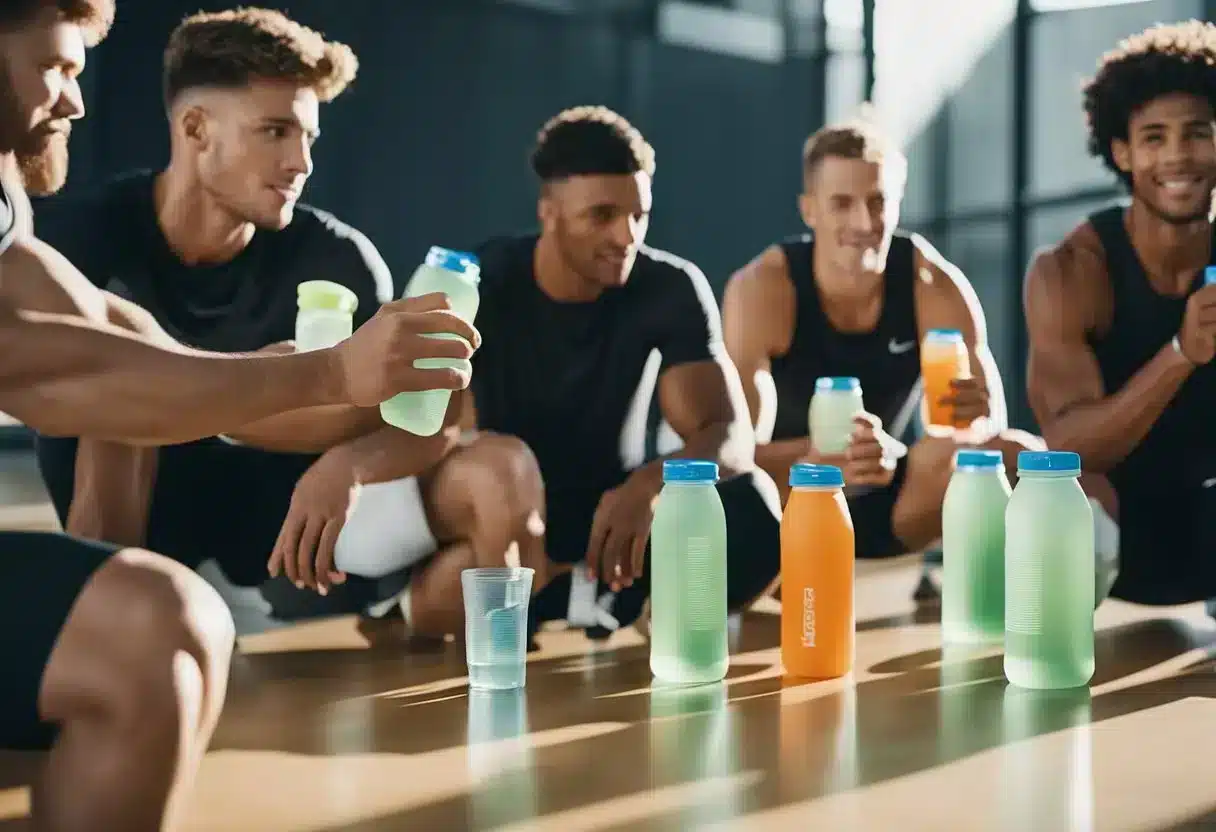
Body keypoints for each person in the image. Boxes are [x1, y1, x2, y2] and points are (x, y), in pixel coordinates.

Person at [0, 1, 478, 828]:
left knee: (166, 625)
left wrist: (331, 436)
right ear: (195, 127)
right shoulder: (86, 222)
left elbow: (112, 331)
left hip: (282, 519)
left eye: (309, 138)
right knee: (135, 500)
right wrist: (325, 370)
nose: (75, 100)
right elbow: (48, 367)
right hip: (144, 492)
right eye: (58, 69)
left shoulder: (9, 212)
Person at [32, 7, 546, 632]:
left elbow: (424, 422)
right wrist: (239, 395)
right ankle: (99, 633)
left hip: (294, 562)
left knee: (495, 466)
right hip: (141, 550)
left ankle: (422, 624)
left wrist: (349, 464)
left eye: (309, 137)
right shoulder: (73, 237)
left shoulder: (338, 256)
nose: (301, 161)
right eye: (275, 132)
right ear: (196, 128)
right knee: (119, 391)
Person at [463, 106, 782, 639]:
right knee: (440, 598)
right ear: (549, 211)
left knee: (756, 507)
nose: (626, 235)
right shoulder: (483, 280)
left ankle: (613, 595)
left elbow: (730, 433)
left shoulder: (669, 286)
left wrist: (649, 485)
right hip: (504, 513)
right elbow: (436, 431)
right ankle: (560, 595)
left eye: (639, 215)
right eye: (602, 216)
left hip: (615, 521)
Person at [723, 120, 1043, 565]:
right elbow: (736, 458)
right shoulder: (763, 290)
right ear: (809, 210)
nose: (864, 222)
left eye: (878, 202)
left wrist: (973, 417)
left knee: (1021, 456)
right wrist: (818, 460)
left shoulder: (932, 283)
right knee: (728, 490)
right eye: (842, 204)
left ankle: (996, 590)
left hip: (889, 495)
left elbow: (978, 438)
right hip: (787, 507)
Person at [1024, 19, 1216, 607]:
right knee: (1035, 469)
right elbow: (1072, 446)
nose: (1178, 156)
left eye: (1198, 133)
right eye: (1154, 138)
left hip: (1208, 528)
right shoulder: (1070, 272)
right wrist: (1182, 355)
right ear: (1123, 152)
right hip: (1113, 538)